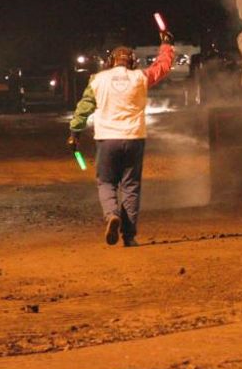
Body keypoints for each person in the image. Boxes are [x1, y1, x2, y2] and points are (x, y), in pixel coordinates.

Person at [68, 29, 175, 247]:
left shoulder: (97, 80)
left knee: (106, 182)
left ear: (110, 62)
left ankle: (112, 215)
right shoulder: (140, 77)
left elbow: (84, 108)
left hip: (107, 139)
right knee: (131, 186)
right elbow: (161, 67)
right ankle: (129, 236)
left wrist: (74, 133)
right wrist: (166, 46)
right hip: (134, 138)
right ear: (132, 62)